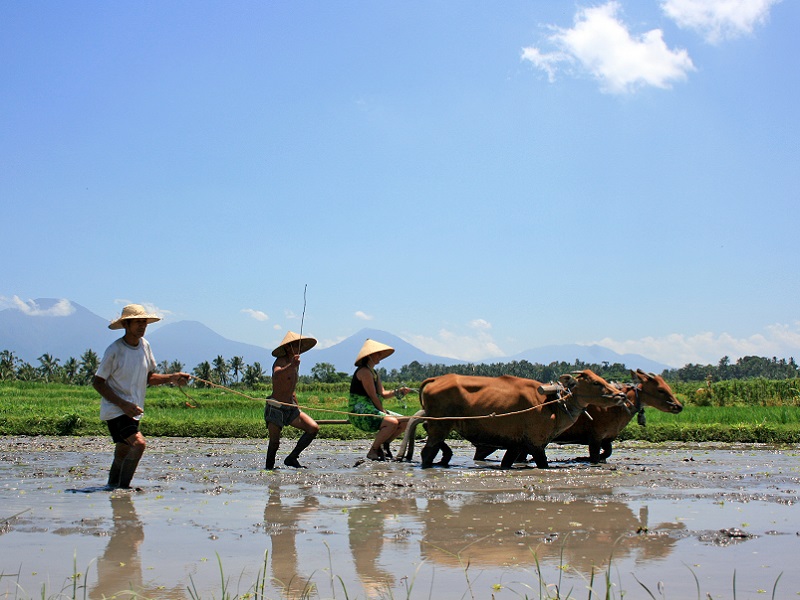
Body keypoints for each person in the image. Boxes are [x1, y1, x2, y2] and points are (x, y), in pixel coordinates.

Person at [93, 304, 190, 490]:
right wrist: (123, 404)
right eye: (138, 322)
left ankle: (112, 486)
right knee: (138, 444)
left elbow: (149, 378)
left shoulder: (145, 346)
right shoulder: (115, 350)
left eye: (144, 323)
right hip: (117, 409)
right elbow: (98, 382)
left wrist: (172, 377)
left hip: (133, 409)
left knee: (123, 450)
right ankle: (123, 490)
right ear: (127, 325)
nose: (142, 326)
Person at [349, 339, 412, 461]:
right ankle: (373, 450)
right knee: (392, 422)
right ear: (370, 356)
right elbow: (373, 396)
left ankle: (384, 445)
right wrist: (382, 411)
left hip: (372, 407)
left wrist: (398, 392)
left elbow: (382, 394)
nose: (380, 356)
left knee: (404, 421)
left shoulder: (374, 373)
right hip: (360, 410)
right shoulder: (364, 372)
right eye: (378, 354)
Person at [265, 331, 320, 469]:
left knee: (313, 428)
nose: (299, 350)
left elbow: (291, 386)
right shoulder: (281, 361)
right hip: (276, 407)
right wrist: (291, 366)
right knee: (274, 443)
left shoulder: (294, 362)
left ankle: (292, 457)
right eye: (296, 346)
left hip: (291, 408)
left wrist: (296, 404)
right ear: (289, 347)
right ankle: (268, 469)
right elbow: (277, 374)